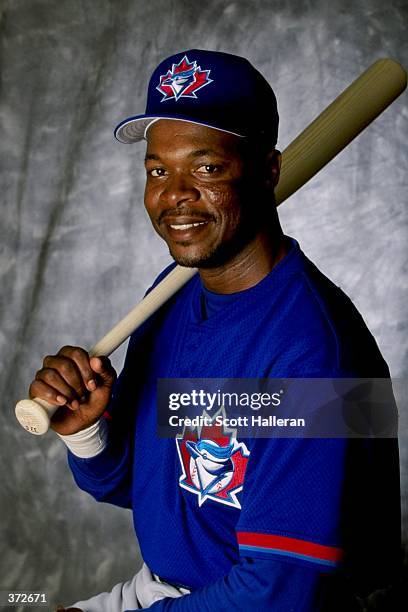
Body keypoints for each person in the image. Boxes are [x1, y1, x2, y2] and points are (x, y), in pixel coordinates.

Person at [29, 50, 401, 611]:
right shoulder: (173, 292)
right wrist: (87, 433)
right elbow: (155, 490)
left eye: (206, 168)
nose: (173, 195)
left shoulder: (318, 355)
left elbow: (282, 594)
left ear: (269, 171)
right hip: (172, 592)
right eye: (158, 170)